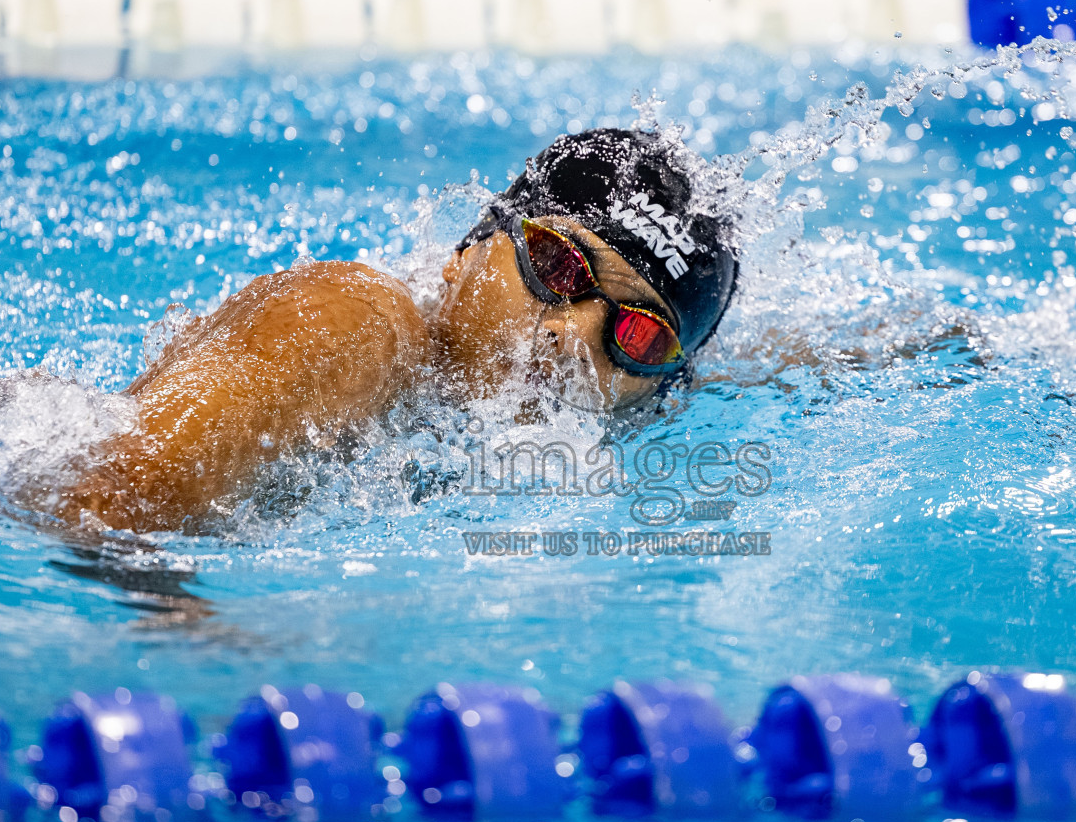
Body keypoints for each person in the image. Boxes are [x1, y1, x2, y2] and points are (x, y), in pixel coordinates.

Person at [40, 128, 738, 534]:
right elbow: (103, 505)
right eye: (559, 266)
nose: (571, 338)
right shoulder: (355, 323)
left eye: (637, 338)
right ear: (467, 251)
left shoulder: (554, 438)